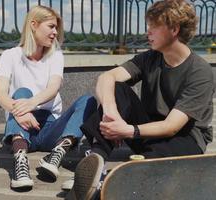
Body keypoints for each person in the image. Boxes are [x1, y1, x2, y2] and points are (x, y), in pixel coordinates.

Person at [66, 0, 214, 199]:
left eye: (154, 26)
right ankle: (96, 161)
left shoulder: (200, 72)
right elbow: (106, 77)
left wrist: (128, 130)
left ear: (174, 29)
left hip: (185, 139)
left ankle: (112, 183)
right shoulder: (150, 57)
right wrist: (111, 113)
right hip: (146, 131)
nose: (148, 32)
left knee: (147, 170)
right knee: (117, 88)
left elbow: (172, 126)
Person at [0, 5, 97, 189]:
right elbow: (0, 94)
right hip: (22, 127)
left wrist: (29, 104)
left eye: (56, 28)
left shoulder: (55, 55)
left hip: (50, 127)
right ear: (34, 24)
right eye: (51, 27)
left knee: (89, 100)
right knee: (21, 93)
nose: (55, 33)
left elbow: (53, 88)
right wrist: (19, 110)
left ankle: (57, 153)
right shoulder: (10, 55)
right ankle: (20, 164)